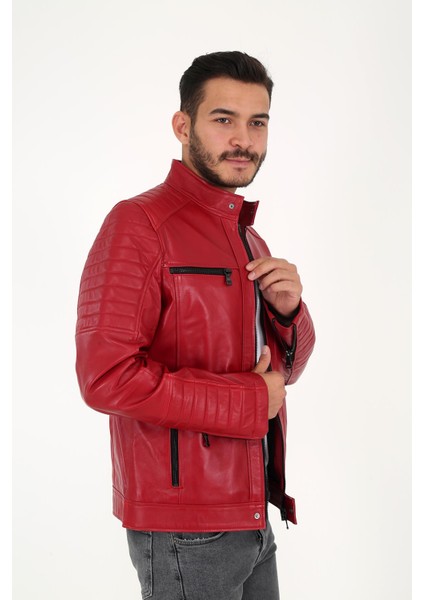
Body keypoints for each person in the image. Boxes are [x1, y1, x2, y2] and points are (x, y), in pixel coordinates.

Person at [76, 51, 315, 600]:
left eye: (258, 122)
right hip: (185, 528)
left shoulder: (248, 238)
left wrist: (287, 313)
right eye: (223, 119)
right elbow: (104, 378)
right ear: (183, 126)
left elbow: (282, 377)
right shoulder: (138, 224)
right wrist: (251, 400)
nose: (244, 140)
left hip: (251, 513)